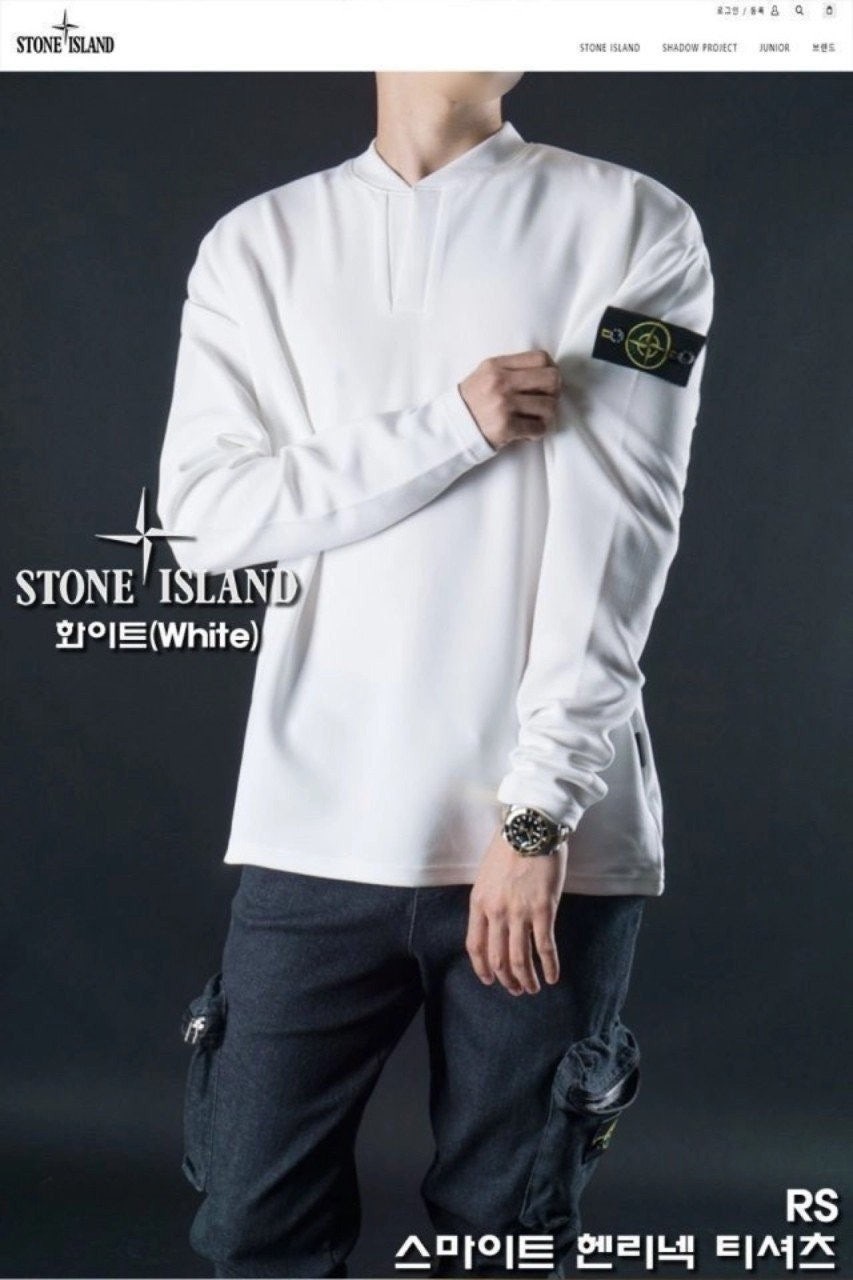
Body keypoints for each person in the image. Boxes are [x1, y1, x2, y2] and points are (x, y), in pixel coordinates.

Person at [160, 71, 714, 1279]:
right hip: (317, 824)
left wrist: (537, 809)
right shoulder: (257, 245)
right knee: (253, 1227)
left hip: (546, 847)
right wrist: (450, 424)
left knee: (501, 1239)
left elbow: (619, 540)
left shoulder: (635, 227)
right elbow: (201, 518)